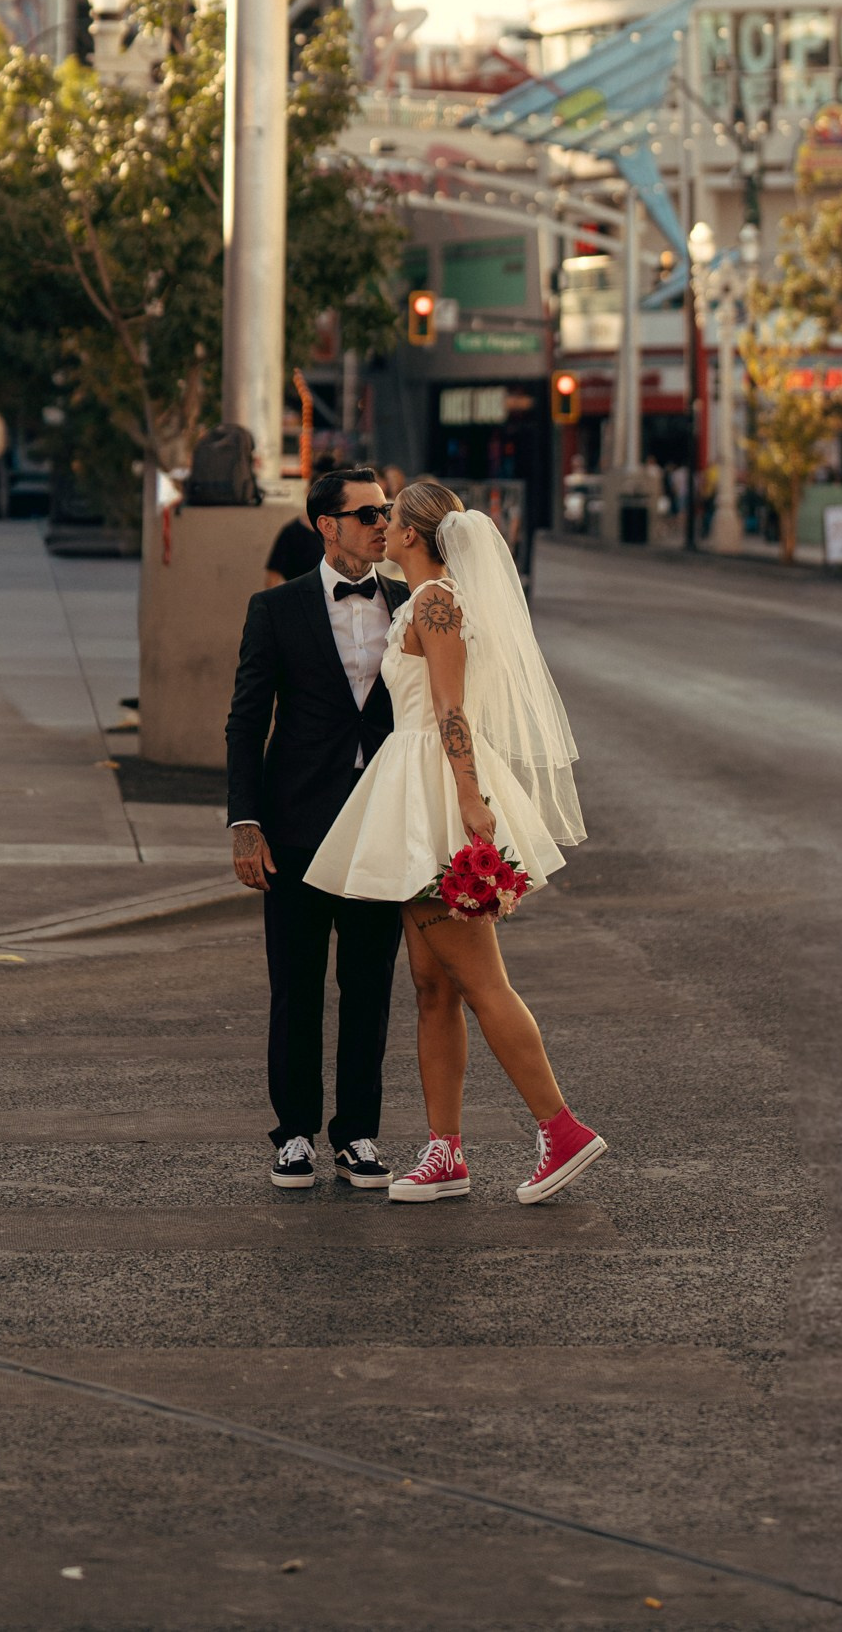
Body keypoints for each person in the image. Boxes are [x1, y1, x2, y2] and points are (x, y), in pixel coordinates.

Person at [306, 476, 606, 1209]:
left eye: (389, 516)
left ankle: (561, 1130)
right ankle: (446, 1152)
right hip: (415, 790)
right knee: (432, 986)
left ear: (412, 534)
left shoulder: (436, 602)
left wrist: (469, 801)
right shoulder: (422, 600)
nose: (380, 525)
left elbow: (450, 710)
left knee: (480, 981)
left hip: (434, 793)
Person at [224, 465, 407, 1192]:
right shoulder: (275, 609)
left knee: (369, 986)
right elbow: (246, 722)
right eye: (367, 514)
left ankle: (357, 1133)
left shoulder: (411, 604)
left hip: (381, 824)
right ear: (326, 526)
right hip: (296, 823)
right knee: (296, 987)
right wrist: (246, 822)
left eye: (385, 511)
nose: (382, 524)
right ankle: (294, 1133)